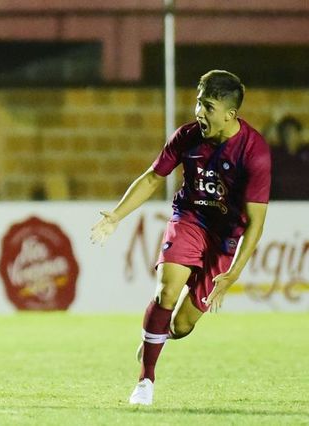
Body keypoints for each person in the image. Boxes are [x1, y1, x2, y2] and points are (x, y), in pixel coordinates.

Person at [90, 70, 271, 405]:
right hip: (190, 218)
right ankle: (145, 380)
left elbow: (256, 222)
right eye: (198, 103)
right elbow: (152, 177)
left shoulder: (254, 152)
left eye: (208, 107)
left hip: (226, 238)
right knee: (166, 291)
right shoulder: (187, 137)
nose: (199, 112)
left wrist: (234, 274)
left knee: (183, 324)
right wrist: (116, 215)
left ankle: (155, 339)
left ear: (230, 115)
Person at [270, 115, 309, 199]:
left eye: (292, 132)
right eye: (286, 132)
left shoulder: (306, 152)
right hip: (280, 204)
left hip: (305, 204)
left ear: (299, 133)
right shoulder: (275, 155)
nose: (289, 136)